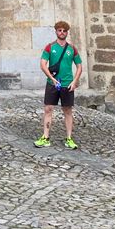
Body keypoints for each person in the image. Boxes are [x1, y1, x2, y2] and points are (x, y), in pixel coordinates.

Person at [34, 20, 82, 149]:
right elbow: (43, 64)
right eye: (60, 30)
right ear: (56, 31)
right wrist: (51, 78)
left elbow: (79, 66)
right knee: (48, 109)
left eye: (64, 31)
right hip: (52, 83)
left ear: (67, 32)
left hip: (67, 84)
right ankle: (45, 137)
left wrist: (75, 81)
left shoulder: (72, 49)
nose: (62, 32)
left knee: (67, 110)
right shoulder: (50, 47)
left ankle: (69, 138)